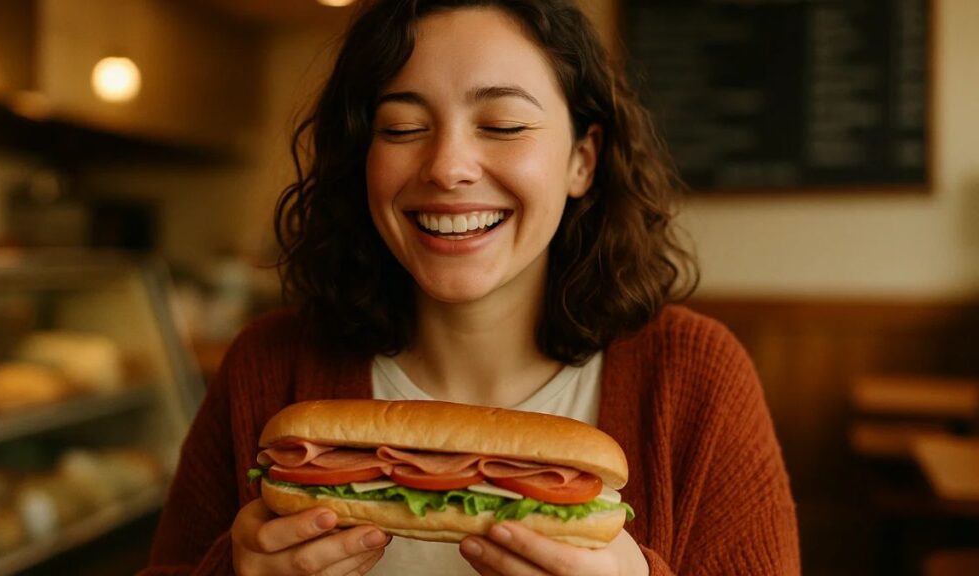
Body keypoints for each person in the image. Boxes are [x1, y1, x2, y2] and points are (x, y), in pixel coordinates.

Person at [142, 0, 800, 574]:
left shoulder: (693, 378)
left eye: (504, 126)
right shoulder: (267, 366)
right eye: (401, 129)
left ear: (582, 159)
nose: (449, 167)